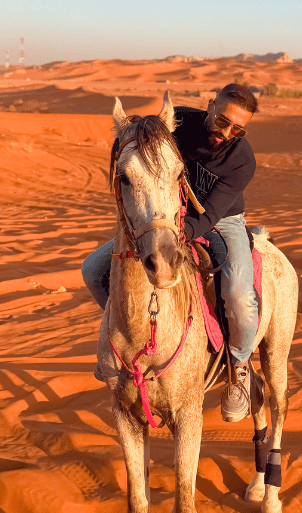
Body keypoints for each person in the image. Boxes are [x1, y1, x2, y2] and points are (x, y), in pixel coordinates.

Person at [82, 83, 259, 422]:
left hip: (223, 218)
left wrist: (180, 234)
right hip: (169, 214)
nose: (227, 132)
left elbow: (209, 214)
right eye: (222, 121)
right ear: (210, 106)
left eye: (238, 128)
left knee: (238, 294)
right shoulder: (178, 123)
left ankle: (239, 368)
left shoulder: (242, 160)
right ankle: (119, 344)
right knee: (93, 269)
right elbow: (141, 147)